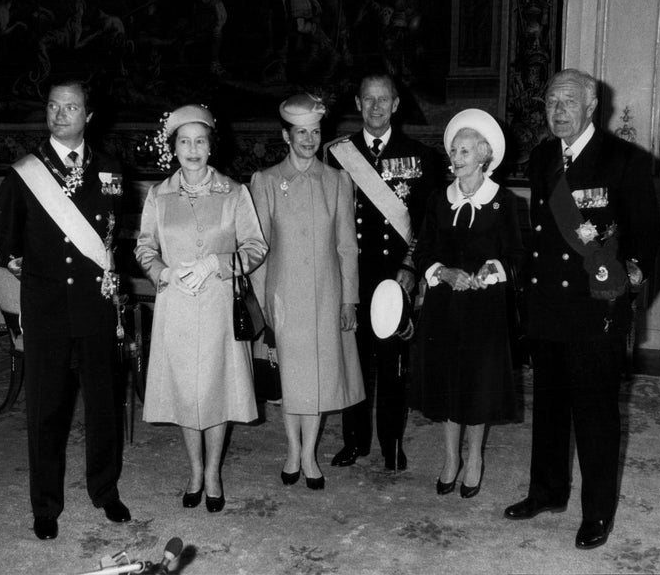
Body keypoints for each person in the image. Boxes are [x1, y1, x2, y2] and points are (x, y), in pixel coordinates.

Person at [503, 69, 660, 549]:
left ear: (593, 106)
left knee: (595, 414)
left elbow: (649, 234)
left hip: (596, 311)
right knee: (549, 407)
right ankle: (547, 491)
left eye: (569, 101)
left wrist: (630, 280)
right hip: (548, 305)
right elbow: (542, 236)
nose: (558, 110)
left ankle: (597, 513)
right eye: (551, 101)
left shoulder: (626, 160)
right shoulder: (543, 157)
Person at [0, 78, 130, 541]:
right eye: (54, 106)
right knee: (46, 409)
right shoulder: (22, 174)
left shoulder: (111, 170)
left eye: (71, 107)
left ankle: (105, 490)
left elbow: (115, 240)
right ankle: (45, 505)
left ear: (88, 116)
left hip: (95, 307)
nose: (60, 114)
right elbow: (8, 243)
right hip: (48, 307)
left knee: (104, 406)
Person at [136, 105, 267, 513]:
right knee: (185, 395)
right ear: (172, 147)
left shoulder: (234, 192)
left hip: (217, 307)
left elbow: (256, 248)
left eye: (200, 140)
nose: (192, 149)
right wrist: (163, 273)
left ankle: (213, 473)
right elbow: (143, 246)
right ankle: (194, 470)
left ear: (212, 146)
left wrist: (218, 262)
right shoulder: (158, 195)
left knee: (214, 391)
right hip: (175, 306)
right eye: (184, 141)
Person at [250, 93, 364, 490]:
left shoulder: (337, 181)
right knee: (291, 379)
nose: (309, 140)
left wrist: (349, 298)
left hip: (325, 295)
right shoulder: (264, 182)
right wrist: (263, 306)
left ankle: (310, 454)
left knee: (316, 378)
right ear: (286, 135)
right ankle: (291, 450)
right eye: (301, 132)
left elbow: (347, 246)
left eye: (315, 132)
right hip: (281, 297)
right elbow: (257, 250)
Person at [324, 73, 436, 471]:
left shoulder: (419, 156)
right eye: (367, 99)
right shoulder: (336, 154)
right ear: (358, 103)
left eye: (382, 99)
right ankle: (354, 441)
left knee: (393, 365)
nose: (375, 106)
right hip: (351, 275)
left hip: (394, 277)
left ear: (395, 104)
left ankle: (392, 444)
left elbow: (426, 222)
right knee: (352, 363)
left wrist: (410, 266)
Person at [413, 109, 523, 498]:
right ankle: (449, 458)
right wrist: (444, 273)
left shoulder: (504, 203)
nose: (455, 158)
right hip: (444, 308)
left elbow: (516, 255)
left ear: (483, 155)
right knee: (446, 382)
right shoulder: (438, 201)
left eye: (464, 151)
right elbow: (423, 252)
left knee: (476, 385)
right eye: (454, 151)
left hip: (484, 311)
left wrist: (491, 270)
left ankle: (474, 458)